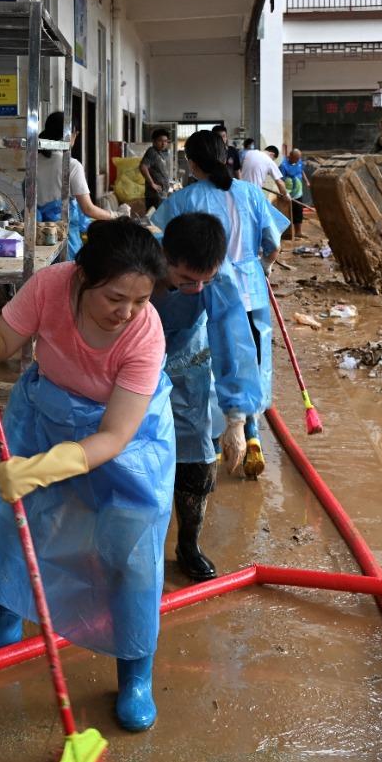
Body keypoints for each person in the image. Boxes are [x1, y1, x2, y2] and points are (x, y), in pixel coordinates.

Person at [0, 219, 174, 732]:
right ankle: (2, 626)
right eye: (116, 297)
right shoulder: (51, 285)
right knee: (15, 523)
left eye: (140, 299)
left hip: (127, 437)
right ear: (83, 276)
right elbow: (6, 341)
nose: (128, 312)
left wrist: (46, 468)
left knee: (129, 550)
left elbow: (115, 437)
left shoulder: (146, 332)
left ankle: (136, 671)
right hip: (45, 411)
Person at [153, 130, 288, 480]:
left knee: (197, 361)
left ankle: (205, 436)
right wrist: (265, 270)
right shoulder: (251, 195)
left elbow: (159, 244)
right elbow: (273, 244)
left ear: (192, 163)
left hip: (197, 287)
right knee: (248, 359)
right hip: (249, 288)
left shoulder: (183, 200)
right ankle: (249, 432)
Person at [153, 212, 256, 582]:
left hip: (186, 366)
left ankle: (188, 544)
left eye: (204, 280)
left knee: (196, 460)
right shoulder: (137, 263)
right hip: (129, 362)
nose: (197, 288)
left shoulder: (218, 280)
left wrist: (236, 419)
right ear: (164, 256)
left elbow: (233, 344)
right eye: (185, 280)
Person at [35, 110, 114, 258]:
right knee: (65, 276)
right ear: (70, 134)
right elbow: (88, 209)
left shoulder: (33, 162)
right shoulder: (71, 165)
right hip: (65, 240)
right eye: (76, 133)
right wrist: (115, 216)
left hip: (38, 237)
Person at [279, 147, 311, 240]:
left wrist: (307, 181)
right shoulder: (283, 165)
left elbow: (302, 171)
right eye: (296, 158)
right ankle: (287, 234)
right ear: (290, 156)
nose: (298, 160)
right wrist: (283, 193)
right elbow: (280, 180)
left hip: (298, 193)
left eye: (299, 158)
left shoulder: (299, 161)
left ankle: (298, 232)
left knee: (298, 212)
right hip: (288, 194)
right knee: (288, 213)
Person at [139, 128, 173, 213]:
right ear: (154, 141)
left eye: (165, 141)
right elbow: (143, 167)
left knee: (159, 219)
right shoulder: (152, 151)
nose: (163, 143)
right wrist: (152, 183)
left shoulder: (160, 153)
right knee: (154, 220)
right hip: (154, 195)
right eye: (160, 141)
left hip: (161, 194)